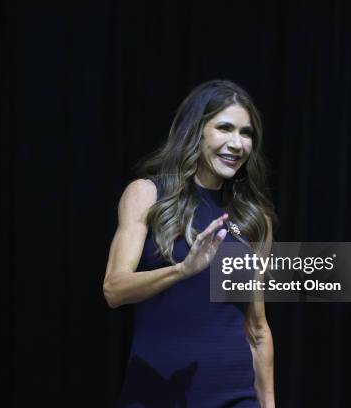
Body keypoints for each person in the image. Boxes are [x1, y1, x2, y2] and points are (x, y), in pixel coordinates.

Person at [103, 80, 277, 407]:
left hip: (234, 397)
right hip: (157, 395)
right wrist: (183, 269)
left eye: (246, 133)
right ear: (196, 130)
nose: (237, 143)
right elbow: (114, 289)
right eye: (224, 128)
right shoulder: (147, 194)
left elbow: (257, 331)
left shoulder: (255, 219)